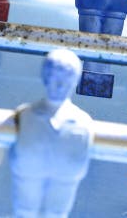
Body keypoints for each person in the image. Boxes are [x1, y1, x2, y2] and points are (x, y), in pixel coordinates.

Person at [9, 49, 93, 218]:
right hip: (28, 174)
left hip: (64, 178)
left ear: (74, 82)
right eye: (55, 79)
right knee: (24, 210)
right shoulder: (26, 115)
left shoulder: (82, 121)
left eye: (66, 81)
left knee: (57, 212)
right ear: (45, 78)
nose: (60, 86)